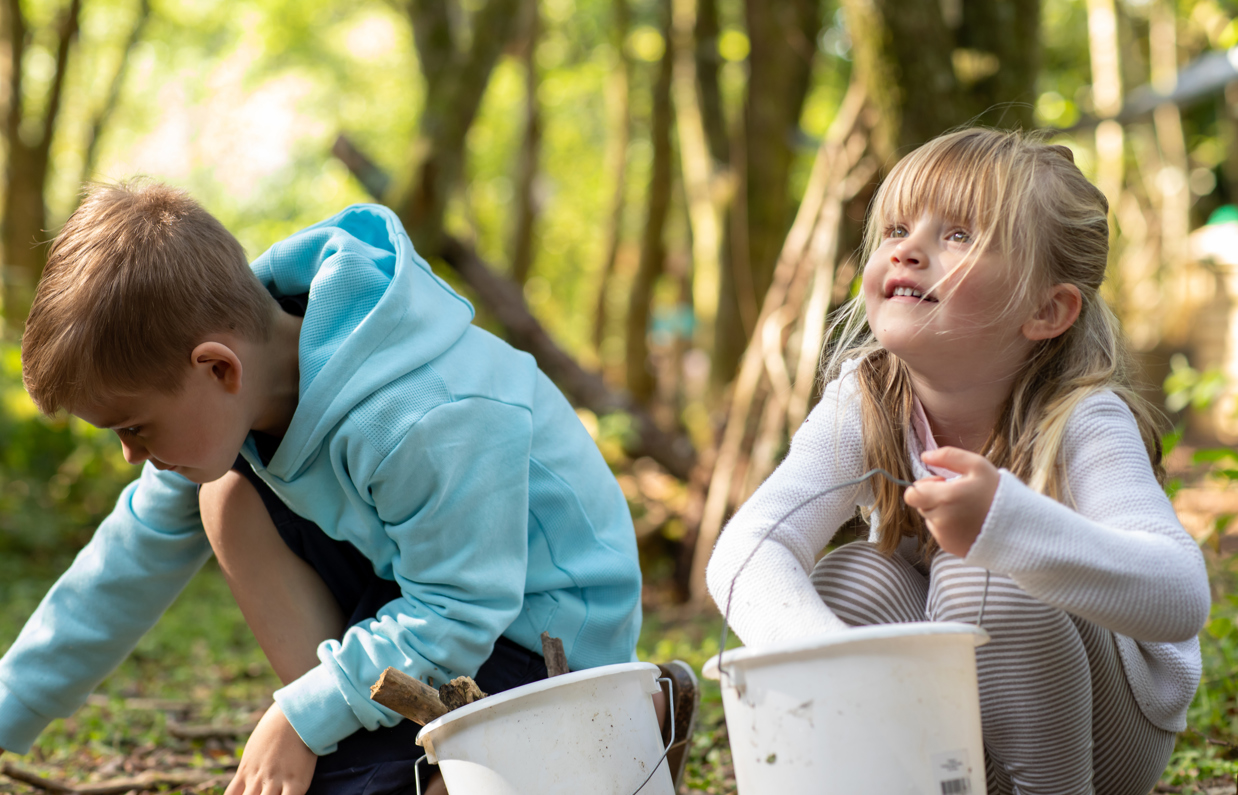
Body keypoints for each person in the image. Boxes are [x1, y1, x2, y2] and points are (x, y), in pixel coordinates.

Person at [0, 182, 696, 795]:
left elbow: (460, 608)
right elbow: (122, 567)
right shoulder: (233, 406)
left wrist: (296, 719)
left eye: (136, 427)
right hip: (423, 611)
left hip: (541, 631)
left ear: (217, 368)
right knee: (226, 498)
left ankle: (628, 717)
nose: (130, 455)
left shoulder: (421, 414)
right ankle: (367, 748)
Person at [705, 128, 1210, 795]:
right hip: (954, 740)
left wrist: (1008, 525)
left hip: (1102, 740)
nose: (908, 249)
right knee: (853, 577)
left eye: (960, 236)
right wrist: (832, 658)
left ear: (1045, 309)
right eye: (896, 227)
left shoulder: (1081, 417)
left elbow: (1180, 594)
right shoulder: (868, 395)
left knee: (983, 573)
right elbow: (746, 548)